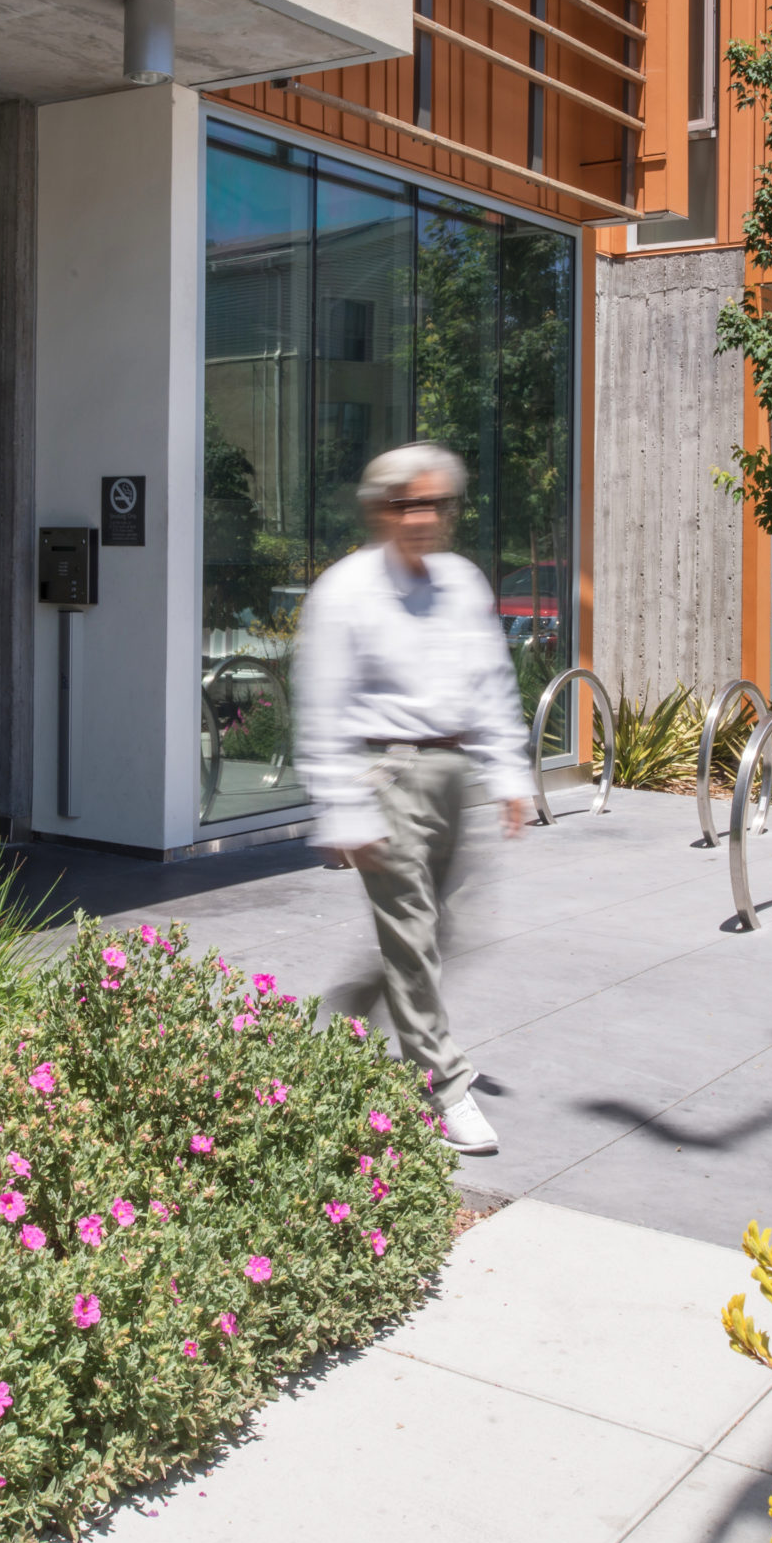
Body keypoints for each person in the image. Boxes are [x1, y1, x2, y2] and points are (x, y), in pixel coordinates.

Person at [294, 442, 531, 1156]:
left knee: (444, 931)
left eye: (435, 503)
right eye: (407, 504)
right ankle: (444, 1083)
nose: (422, 516)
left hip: (453, 773)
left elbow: (490, 681)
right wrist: (341, 806)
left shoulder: (462, 583)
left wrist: (510, 773)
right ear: (380, 510)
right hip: (385, 777)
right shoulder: (345, 590)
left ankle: (341, 1029)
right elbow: (323, 704)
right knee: (412, 933)